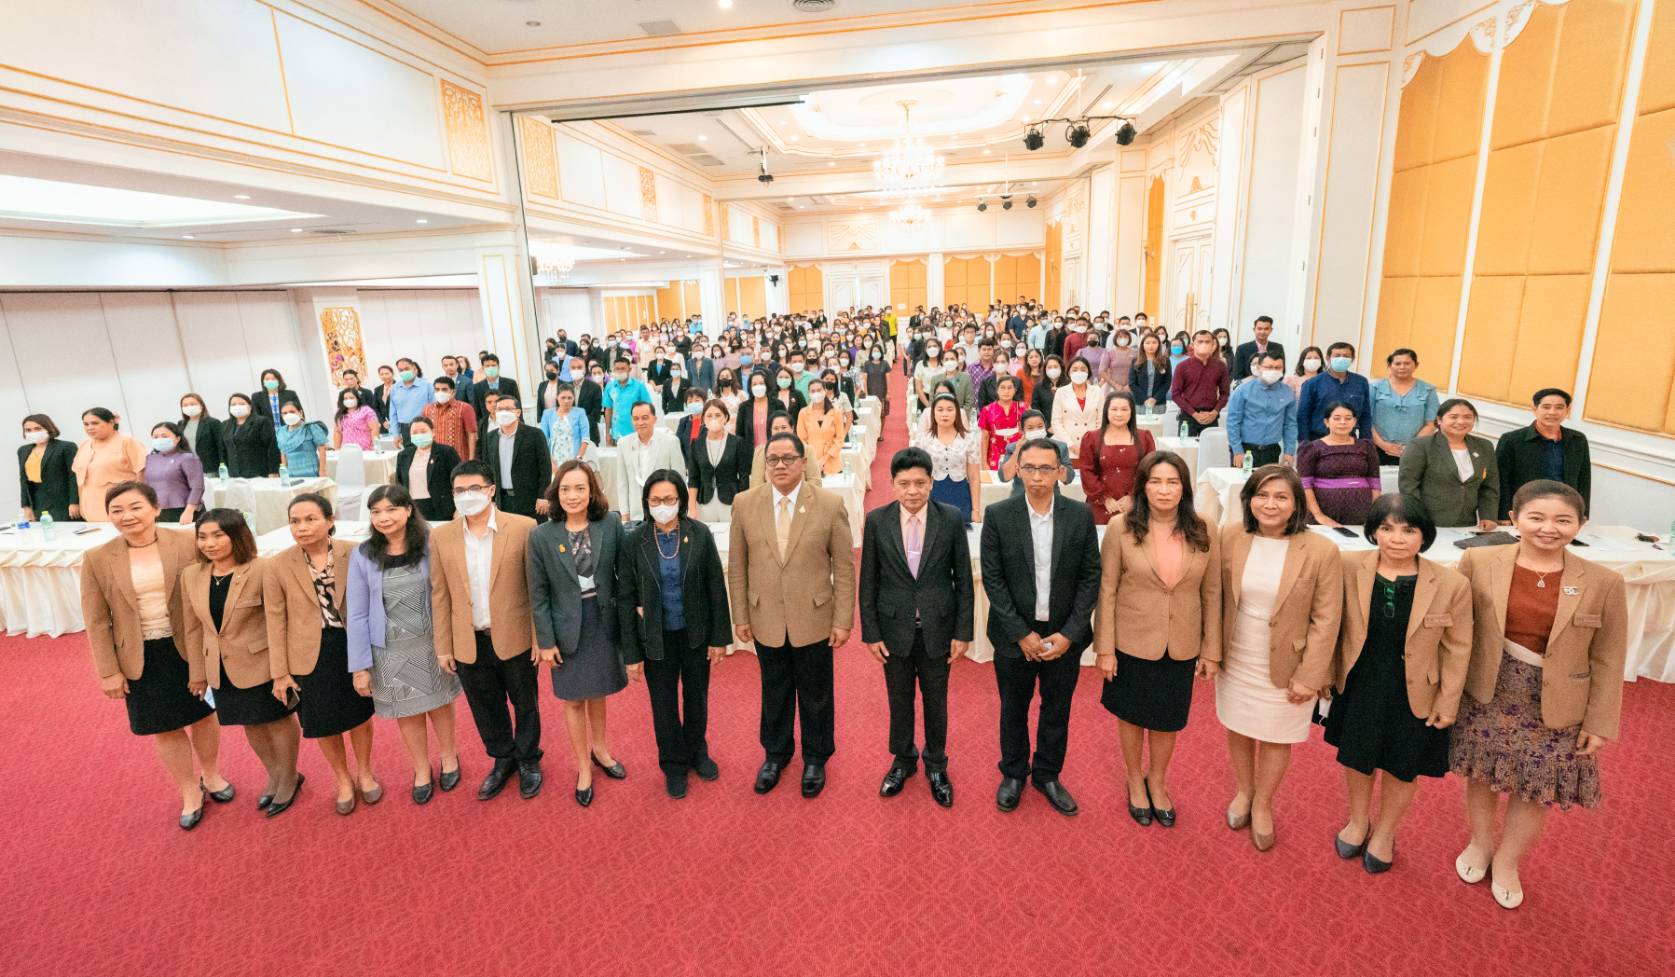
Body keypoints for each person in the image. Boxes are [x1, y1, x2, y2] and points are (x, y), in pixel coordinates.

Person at [1448, 480, 1627, 909]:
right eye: (1537, 517)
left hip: (1558, 701)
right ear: (1514, 519)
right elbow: (1455, 631)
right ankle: (1480, 843)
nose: (1549, 528)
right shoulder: (1477, 561)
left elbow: (1609, 657)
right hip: (1488, 689)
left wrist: (1600, 721)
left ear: (1581, 524)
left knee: (1536, 784)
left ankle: (1508, 861)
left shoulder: (1603, 582)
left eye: (1563, 520)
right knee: (1483, 772)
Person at [1325, 493, 1471, 874]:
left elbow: (1458, 648)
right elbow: (1329, 624)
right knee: (1357, 757)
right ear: (1373, 531)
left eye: (1409, 530)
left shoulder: (1451, 583)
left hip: (1416, 690)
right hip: (1361, 682)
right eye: (1387, 529)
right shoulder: (1348, 566)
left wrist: (1448, 702)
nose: (1397, 539)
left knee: (1402, 765)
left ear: (1425, 535)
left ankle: (1386, 832)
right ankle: (1358, 821)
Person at [79, 481, 227, 829]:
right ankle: (189, 789)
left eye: (136, 507)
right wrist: (108, 672)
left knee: (204, 715)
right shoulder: (97, 558)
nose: (127, 516)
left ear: (156, 509)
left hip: (190, 647)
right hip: (140, 655)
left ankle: (211, 774)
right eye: (117, 510)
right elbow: (96, 621)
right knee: (165, 726)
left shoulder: (188, 543)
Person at [1215, 467, 1342, 849]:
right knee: (1238, 726)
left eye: (1281, 497)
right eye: (1262, 495)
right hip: (1238, 652)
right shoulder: (1231, 536)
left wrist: (1310, 674)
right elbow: (1215, 596)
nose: (1270, 504)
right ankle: (1244, 791)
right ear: (1249, 499)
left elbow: (1327, 619)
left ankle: (1264, 804)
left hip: (1291, 661)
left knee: (1276, 735)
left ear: (1296, 504)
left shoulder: (1320, 550)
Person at [1094, 451, 1221, 828]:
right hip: (1131, 639)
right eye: (1155, 482)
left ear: (1184, 487)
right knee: (1132, 715)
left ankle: (1158, 780)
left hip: (1181, 640)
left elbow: (1213, 591)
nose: (1164, 490)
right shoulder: (1121, 527)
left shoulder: (1204, 527)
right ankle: (1135, 778)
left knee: (1168, 718)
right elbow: (1107, 589)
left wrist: (1211, 649)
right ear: (1143, 486)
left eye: (1172, 482)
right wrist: (1105, 648)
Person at [728, 432, 855, 799]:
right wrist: (741, 615)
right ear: (764, 464)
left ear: (803, 462)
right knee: (774, 690)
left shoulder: (829, 505)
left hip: (814, 616)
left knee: (816, 693)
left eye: (787, 458)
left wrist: (842, 620)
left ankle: (816, 757)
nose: (780, 465)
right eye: (773, 459)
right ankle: (775, 754)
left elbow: (844, 568)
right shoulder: (745, 503)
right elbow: (737, 566)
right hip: (765, 615)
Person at [981, 438, 1101, 816]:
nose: (1037, 476)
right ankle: (1013, 772)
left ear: (1061, 473)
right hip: (1013, 632)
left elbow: (1090, 578)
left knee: (1057, 708)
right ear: (1017, 470)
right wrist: (1021, 633)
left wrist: (1070, 633)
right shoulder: (999, 515)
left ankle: (1048, 774)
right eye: (1029, 468)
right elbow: (993, 579)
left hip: (1064, 632)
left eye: (1046, 468)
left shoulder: (1079, 515)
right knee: (1013, 707)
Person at [859, 447, 974, 807]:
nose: (912, 491)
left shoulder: (950, 518)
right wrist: (871, 633)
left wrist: (963, 632)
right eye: (904, 483)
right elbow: (868, 581)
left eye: (920, 483)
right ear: (892, 484)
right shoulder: (877, 521)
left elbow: (964, 580)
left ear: (931, 483)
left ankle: (937, 764)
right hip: (894, 629)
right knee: (899, 700)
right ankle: (903, 760)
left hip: (938, 628)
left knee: (936, 701)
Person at [429, 461, 544, 802]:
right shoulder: (441, 536)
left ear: (491, 490)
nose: (467, 496)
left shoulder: (524, 527)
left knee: (525, 702)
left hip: (515, 635)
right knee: (485, 706)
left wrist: (539, 637)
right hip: (468, 640)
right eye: (459, 490)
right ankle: (503, 757)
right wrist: (443, 645)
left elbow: (536, 588)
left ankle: (528, 758)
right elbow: (439, 593)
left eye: (475, 488)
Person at [182, 509, 303, 817]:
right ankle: (274, 775)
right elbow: (192, 628)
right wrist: (198, 673)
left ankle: (289, 777)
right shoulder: (192, 575)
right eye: (202, 537)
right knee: (250, 721)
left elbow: (278, 622)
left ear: (237, 536)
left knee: (276, 720)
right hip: (221, 667)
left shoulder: (263, 569)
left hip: (263, 662)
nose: (209, 543)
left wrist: (281, 672)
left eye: (218, 535)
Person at [264, 493, 380, 815]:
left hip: (351, 645)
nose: (301, 527)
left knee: (359, 715)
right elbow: (275, 621)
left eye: (310, 519)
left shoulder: (355, 553)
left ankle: (365, 771)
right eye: (295, 521)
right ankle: (342, 779)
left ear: (330, 520)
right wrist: (280, 672)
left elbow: (373, 602)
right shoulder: (277, 565)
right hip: (308, 654)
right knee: (323, 722)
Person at [528, 460, 636, 807]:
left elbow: (624, 576)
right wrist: (546, 642)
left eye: (580, 488)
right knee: (574, 699)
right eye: (565, 489)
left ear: (591, 491)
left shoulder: (610, 524)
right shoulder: (541, 536)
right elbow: (538, 594)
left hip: (602, 620)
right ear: (555, 493)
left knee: (598, 691)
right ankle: (582, 766)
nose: (572, 495)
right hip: (565, 628)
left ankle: (600, 750)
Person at [347, 484, 463, 805]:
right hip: (388, 649)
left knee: (439, 702)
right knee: (407, 711)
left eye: (391, 509)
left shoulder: (430, 543)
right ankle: (421, 768)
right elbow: (357, 614)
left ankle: (449, 757)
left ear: (408, 510)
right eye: (376, 512)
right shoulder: (363, 554)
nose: (383, 518)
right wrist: (359, 667)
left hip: (431, 642)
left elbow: (447, 593)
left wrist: (451, 641)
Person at [620, 471, 731, 798]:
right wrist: (631, 654)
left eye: (669, 499)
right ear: (646, 503)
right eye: (655, 500)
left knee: (697, 699)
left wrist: (719, 638)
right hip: (656, 638)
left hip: (695, 633)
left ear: (680, 500)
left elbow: (715, 587)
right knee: (663, 706)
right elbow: (625, 598)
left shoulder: (699, 534)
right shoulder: (634, 541)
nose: (662, 505)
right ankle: (673, 764)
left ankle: (697, 752)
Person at [1397, 398, 1499, 530]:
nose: (1461, 421)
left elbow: (1489, 487)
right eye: (1453, 417)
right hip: (1429, 523)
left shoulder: (1484, 446)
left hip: (1468, 524)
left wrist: (1488, 516)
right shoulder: (1421, 445)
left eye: (1467, 417)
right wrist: (1420, 519)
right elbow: (1408, 487)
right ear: (1439, 420)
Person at [1493, 388, 1591, 520]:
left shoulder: (1577, 440)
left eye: (1559, 407)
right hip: (1526, 509)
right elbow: (1500, 480)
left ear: (1567, 410)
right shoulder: (1512, 440)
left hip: (1564, 508)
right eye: (1546, 407)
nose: (1552, 412)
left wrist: (1583, 514)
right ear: (1534, 409)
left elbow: (1584, 480)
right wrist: (1503, 515)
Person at [1298, 402, 1382, 527]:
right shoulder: (1311, 448)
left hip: (1362, 513)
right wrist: (1318, 515)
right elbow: (1304, 484)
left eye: (1348, 418)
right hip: (1323, 514)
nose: (1343, 422)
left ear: (1354, 422)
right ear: (1326, 422)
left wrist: (1373, 514)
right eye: (1337, 418)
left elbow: (1375, 483)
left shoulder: (1366, 447)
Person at [1078, 391, 1155, 526]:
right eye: (1114, 409)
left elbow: (1151, 471)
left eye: (1124, 409)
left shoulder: (1144, 437)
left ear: (1132, 412)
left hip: (1135, 505)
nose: (1119, 414)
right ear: (1106, 411)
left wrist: (1133, 497)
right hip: (1101, 506)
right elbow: (1086, 471)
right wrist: (1105, 498)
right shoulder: (1091, 438)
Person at [478, 395, 551, 521]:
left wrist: (543, 496)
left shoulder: (534, 434)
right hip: (503, 501)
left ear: (518, 412)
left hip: (532, 501)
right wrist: (492, 498)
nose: (503, 412)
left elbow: (545, 468)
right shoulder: (490, 437)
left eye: (507, 409)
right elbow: (488, 470)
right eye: (499, 409)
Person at [912, 393, 981, 525]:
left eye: (950, 410)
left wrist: (976, 510)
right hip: (932, 495)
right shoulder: (923, 440)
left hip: (960, 495)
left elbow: (974, 478)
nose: (945, 414)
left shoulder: (969, 439)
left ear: (957, 413)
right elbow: (916, 476)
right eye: (940, 410)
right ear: (933, 413)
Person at [616, 401, 687, 523]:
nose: (640, 423)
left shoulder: (670, 442)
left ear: (654, 419)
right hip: (636, 514)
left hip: (665, 510)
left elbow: (680, 480)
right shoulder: (623, 444)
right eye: (636, 419)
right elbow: (622, 482)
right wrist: (624, 512)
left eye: (645, 418)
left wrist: (679, 510)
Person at [72, 408, 148, 522]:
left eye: (95, 423)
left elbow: (142, 472)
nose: (90, 427)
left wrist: (137, 500)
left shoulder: (127, 442)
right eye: (86, 424)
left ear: (111, 422)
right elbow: (79, 477)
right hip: (91, 506)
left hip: (121, 505)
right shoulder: (84, 445)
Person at [1225, 352, 1299, 468]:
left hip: (1271, 451)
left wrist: (1289, 452)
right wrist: (1237, 450)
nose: (1273, 371)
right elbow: (1233, 422)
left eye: (1278, 367)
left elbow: (1290, 424)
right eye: (1269, 367)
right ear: (1259, 368)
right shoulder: (1243, 390)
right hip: (1245, 449)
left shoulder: (1287, 392)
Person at [1368, 348, 1438, 464]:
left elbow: (1431, 424)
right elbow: (1366, 420)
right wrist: (1382, 444)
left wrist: (1411, 447)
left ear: (1416, 365)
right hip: (1377, 448)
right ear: (1389, 366)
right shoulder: (1375, 387)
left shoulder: (1428, 390)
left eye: (1407, 363)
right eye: (1397, 363)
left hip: (1414, 450)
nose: (1402, 367)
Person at [686, 399, 749, 523]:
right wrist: (691, 508)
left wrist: (744, 505)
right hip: (704, 501)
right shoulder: (696, 444)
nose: (713, 419)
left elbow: (744, 477)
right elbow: (693, 479)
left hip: (731, 500)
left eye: (718, 415)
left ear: (725, 418)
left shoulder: (737, 443)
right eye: (709, 416)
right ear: (703, 419)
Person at [1297, 342, 1371, 440]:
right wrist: (1304, 444)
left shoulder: (1361, 382)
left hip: (1349, 440)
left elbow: (1365, 415)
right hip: (1318, 440)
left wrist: (1366, 442)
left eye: (1346, 356)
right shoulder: (1312, 384)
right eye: (1337, 356)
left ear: (1353, 359)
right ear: (1328, 358)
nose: (1341, 359)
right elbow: (1303, 416)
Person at [393, 417, 461, 524]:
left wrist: (459, 508)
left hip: (441, 508)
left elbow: (459, 481)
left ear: (433, 432)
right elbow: (399, 485)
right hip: (413, 508)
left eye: (423, 431)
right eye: (415, 432)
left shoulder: (446, 452)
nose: (419, 435)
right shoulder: (403, 455)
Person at [996, 411, 1076, 498]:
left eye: (1040, 427)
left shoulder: (1060, 446)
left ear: (1045, 427)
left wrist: (1052, 459)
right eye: (1030, 428)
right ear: (1022, 431)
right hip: (1020, 499)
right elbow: (1004, 477)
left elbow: (1069, 478)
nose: (1036, 430)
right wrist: (1018, 451)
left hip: (1051, 498)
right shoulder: (1013, 448)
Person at [1170, 330, 1232, 435]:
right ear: (1193, 345)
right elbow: (1175, 394)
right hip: (1188, 417)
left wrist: (1215, 412)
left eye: (1207, 342)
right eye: (1200, 341)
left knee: (1210, 446)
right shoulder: (1182, 367)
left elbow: (1225, 393)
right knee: (1186, 446)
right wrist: (1194, 414)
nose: (1204, 344)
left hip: (1211, 417)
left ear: (1213, 345)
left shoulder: (1220, 366)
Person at [18, 414, 77, 521]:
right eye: (28, 430)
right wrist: (26, 506)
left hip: (63, 501)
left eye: (37, 428)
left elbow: (74, 476)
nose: (33, 432)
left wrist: (74, 502)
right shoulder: (23, 450)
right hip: (37, 501)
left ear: (48, 428)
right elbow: (23, 480)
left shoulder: (66, 447)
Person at [143, 422, 204, 524]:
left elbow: (197, 487)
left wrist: (189, 511)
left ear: (178, 438)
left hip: (183, 510)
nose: (160, 439)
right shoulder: (150, 459)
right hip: (159, 511)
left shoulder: (188, 458)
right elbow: (147, 485)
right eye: (155, 437)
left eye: (164, 436)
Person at [1051, 357, 1104, 460]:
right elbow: (1056, 423)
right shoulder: (1061, 392)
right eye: (1075, 369)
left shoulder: (1097, 391)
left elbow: (1101, 421)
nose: (1079, 372)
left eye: (1083, 369)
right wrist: (1071, 445)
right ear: (1069, 372)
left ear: (1088, 372)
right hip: (1067, 446)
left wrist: (1093, 443)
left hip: (1092, 446)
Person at [796, 377, 849, 478]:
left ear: (825, 391)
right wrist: (813, 460)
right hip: (811, 462)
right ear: (809, 393)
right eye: (813, 391)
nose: (816, 393)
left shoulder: (836, 412)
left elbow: (839, 439)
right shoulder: (803, 413)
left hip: (832, 462)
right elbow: (801, 439)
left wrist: (825, 458)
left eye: (819, 390)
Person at [222, 394, 280, 479]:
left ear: (250, 406)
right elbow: (224, 450)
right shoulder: (225, 425)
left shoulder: (261, 422)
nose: (237, 407)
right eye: (233, 404)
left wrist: (273, 471)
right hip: (234, 474)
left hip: (258, 473)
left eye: (241, 404)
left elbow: (272, 447)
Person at [423, 376, 478, 461]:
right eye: (437, 389)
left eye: (444, 389)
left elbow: (472, 434)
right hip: (435, 459)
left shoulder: (465, 408)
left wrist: (471, 460)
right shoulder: (427, 409)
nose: (440, 392)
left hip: (458, 458)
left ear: (453, 392)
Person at [602, 357, 654, 446]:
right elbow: (608, 410)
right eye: (617, 369)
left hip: (636, 433)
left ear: (629, 369)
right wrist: (608, 433)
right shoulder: (610, 386)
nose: (620, 371)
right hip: (616, 434)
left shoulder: (639, 386)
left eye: (623, 368)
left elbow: (648, 409)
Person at [978, 375, 1026, 472]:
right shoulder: (987, 410)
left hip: (1018, 458)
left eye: (1009, 388)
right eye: (1002, 388)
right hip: (994, 458)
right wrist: (984, 462)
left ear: (1015, 390)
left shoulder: (1023, 408)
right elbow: (985, 437)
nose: (1006, 391)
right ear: (997, 390)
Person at [542, 383, 592, 470]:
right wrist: (550, 460)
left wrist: (579, 458)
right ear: (557, 397)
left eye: (569, 398)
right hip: (554, 459)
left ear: (574, 398)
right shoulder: (547, 414)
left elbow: (585, 438)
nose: (566, 401)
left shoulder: (580, 413)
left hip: (574, 458)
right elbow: (543, 439)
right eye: (563, 397)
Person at [275, 403, 330, 478]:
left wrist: (322, 470)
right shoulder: (281, 432)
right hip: (292, 474)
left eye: (292, 411)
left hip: (312, 472)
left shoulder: (311, 427)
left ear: (300, 412)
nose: (288, 415)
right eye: (285, 413)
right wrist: (284, 474)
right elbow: (283, 453)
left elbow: (322, 450)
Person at [387, 358, 433, 444]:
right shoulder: (395, 388)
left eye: (407, 369)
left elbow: (435, 409)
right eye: (401, 370)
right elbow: (393, 413)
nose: (404, 372)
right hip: (405, 429)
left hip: (424, 427)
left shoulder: (427, 386)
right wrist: (396, 434)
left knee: (427, 451)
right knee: (409, 452)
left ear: (414, 369)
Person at [178, 393, 225, 476]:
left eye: (192, 404)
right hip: (190, 469)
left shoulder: (212, 423)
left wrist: (223, 466)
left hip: (210, 469)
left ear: (201, 405)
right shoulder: (181, 424)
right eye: (185, 405)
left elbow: (221, 446)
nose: (189, 407)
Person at [1231, 315, 1286, 383]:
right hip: (1248, 385)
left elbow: (1281, 371)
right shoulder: (1242, 349)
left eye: (1266, 329)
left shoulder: (1278, 347)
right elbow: (1237, 374)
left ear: (1271, 330)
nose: (1262, 332)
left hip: (1273, 385)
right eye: (1259, 329)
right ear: (1254, 329)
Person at [468, 352, 520, 422]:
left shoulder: (511, 383)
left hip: (509, 421)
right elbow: (477, 410)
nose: (490, 368)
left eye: (493, 365)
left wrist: (520, 422)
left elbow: (518, 405)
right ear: (483, 368)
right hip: (488, 423)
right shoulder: (477, 387)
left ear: (498, 367)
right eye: (487, 366)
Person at [1129, 334, 1171, 415]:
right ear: (1142, 345)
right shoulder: (1136, 361)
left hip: (1158, 403)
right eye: (1147, 343)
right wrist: (1144, 399)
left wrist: (1155, 399)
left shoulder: (1165, 361)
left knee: (1158, 423)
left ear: (1158, 345)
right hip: (1140, 403)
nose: (1151, 346)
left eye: (1154, 343)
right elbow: (1132, 383)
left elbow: (1167, 382)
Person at [333, 387, 380, 452]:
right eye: (345, 398)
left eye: (351, 398)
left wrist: (375, 446)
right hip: (348, 450)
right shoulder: (340, 413)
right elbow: (337, 432)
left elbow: (374, 429)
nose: (348, 400)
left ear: (357, 399)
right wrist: (337, 449)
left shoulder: (367, 411)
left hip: (366, 449)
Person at [1031, 354, 1067, 421]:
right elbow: (1036, 410)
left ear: (1061, 367)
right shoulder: (1038, 387)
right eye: (1049, 367)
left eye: (1055, 366)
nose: (1053, 369)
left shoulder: (1069, 385)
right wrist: (1046, 425)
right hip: (1047, 425)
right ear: (1045, 369)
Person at [861, 343, 892, 418]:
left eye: (878, 351)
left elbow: (888, 379)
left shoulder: (885, 363)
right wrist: (866, 393)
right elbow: (864, 379)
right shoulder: (867, 364)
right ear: (871, 353)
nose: (876, 353)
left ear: (881, 352)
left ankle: (881, 426)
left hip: (882, 391)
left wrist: (888, 392)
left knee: (882, 414)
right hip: (870, 391)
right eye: (874, 351)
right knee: (872, 414)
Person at [370, 365, 396, 431]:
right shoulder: (377, 390)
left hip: (398, 423)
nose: (384, 376)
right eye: (382, 374)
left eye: (387, 373)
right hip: (384, 425)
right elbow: (375, 407)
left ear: (392, 374)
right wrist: (383, 421)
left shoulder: (399, 387)